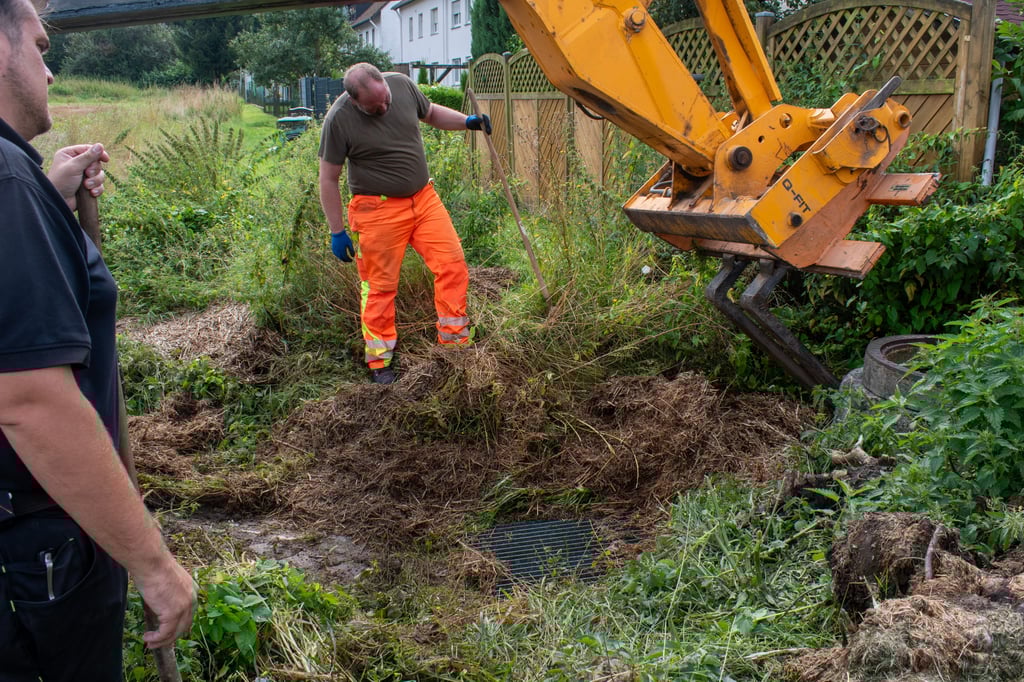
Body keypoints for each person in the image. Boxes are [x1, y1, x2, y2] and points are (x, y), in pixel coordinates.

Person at [0, 0, 196, 679]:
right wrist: (154, 563)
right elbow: (28, 400)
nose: (49, 72)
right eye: (40, 46)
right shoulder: (5, 181)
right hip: (38, 546)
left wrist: (48, 196)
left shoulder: (17, 180)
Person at [318, 62, 492, 384]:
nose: (384, 107)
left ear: (384, 84)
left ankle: (454, 345)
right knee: (381, 288)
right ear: (354, 100)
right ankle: (380, 362)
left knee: (453, 265)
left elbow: (431, 113)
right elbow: (328, 178)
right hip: (377, 210)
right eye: (374, 106)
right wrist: (337, 230)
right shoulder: (338, 119)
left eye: (385, 99)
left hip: (423, 198)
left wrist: (468, 122)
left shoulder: (400, 85)